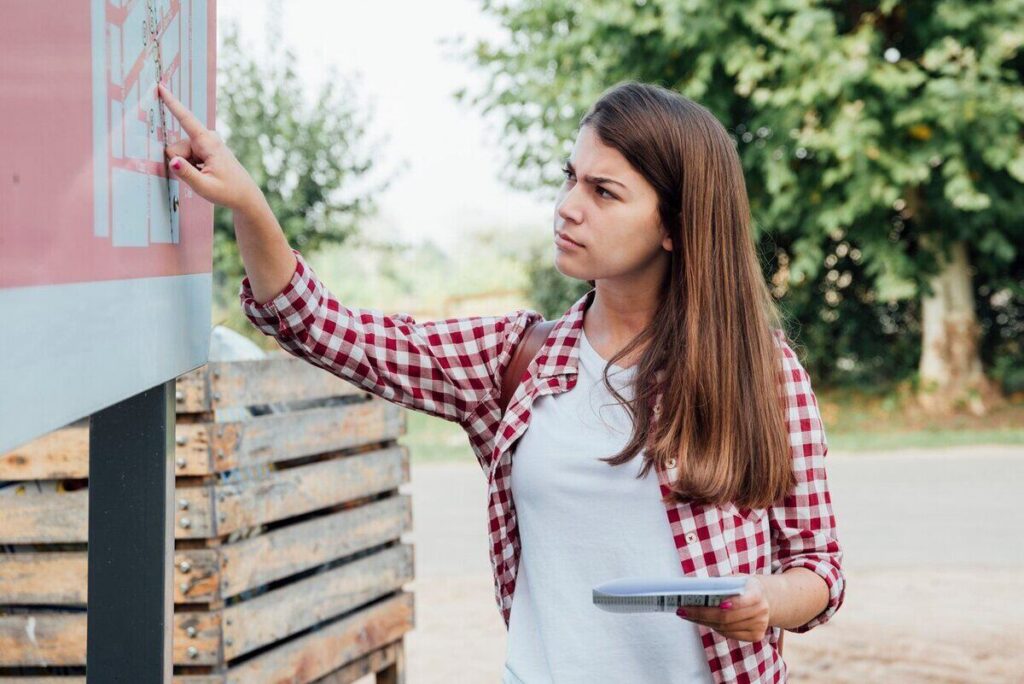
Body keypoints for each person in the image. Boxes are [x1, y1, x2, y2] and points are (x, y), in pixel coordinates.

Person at [158, 79, 844, 683]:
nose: (568, 206)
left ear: (675, 224)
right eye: (569, 177)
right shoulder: (514, 362)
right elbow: (320, 326)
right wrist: (248, 204)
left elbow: (819, 565)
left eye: (604, 192)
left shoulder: (760, 371)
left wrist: (761, 604)